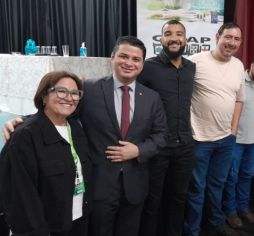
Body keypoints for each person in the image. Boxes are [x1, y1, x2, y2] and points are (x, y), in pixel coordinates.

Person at [2, 36, 167, 236]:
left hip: (135, 187)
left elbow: (161, 135)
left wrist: (139, 150)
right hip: (98, 186)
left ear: (142, 64)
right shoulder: (89, 88)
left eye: (136, 59)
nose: (129, 63)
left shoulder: (152, 97)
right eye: (123, 56)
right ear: (112, 57)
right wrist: (23, 121)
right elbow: (62, 110)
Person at [0, 71, 91, 236]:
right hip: (46, 227)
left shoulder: (76, 128)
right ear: (44, 96)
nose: (69, 98)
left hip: (76, 219)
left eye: (75, 93)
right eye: (61, 91)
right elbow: (21, 196)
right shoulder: (24, 136)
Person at [183, 22, 245, 236]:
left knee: (217, 185)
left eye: (237, 39)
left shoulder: (238, 65)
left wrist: (234, 131)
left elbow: (239, 100)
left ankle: (216, 223)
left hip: (226, 140)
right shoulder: (195, 62)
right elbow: (179, 95)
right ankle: (192, 230)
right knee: (196, 189)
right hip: (199, 139)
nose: (232, 42)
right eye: (228, 37)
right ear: (217, 36)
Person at [138, 20, 196, 236]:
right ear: (161, 40)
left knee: (179, 199)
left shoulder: (191, 67)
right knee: (153, 201)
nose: (174, 37)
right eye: (168, 33)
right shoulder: (148, 67)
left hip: (185, 147)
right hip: (157, 147)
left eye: (179, 33)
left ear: (185, 39)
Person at [223, 53, 254, 229]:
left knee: (247, 176)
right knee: (231, 178)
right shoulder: (237, 80)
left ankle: (243, 208)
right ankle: (230, 212)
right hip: (235, 140)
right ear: (251, 65)